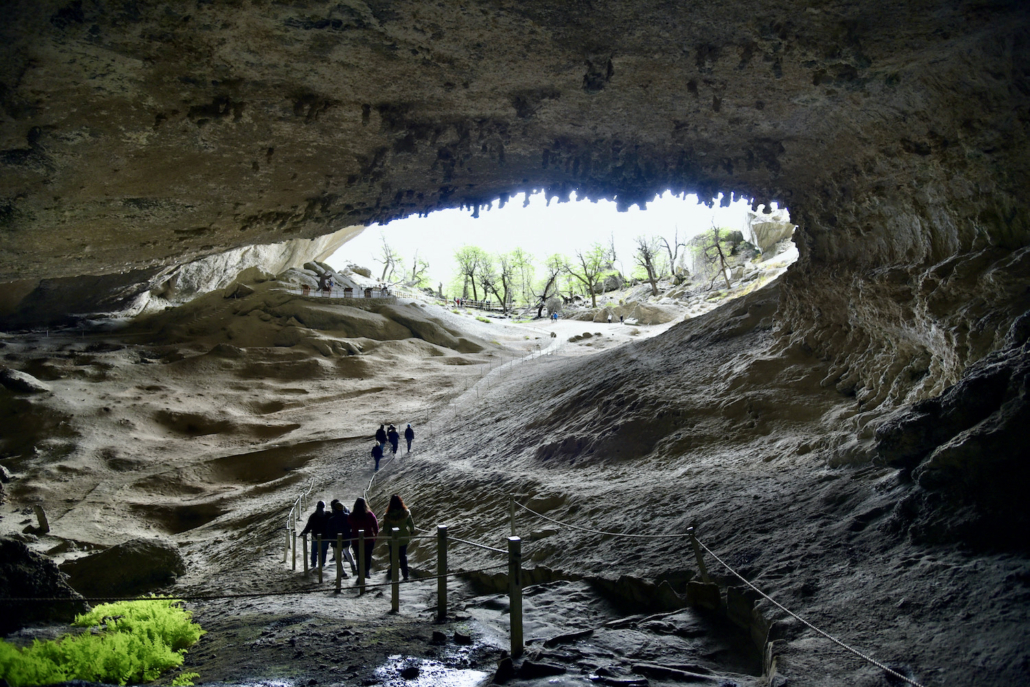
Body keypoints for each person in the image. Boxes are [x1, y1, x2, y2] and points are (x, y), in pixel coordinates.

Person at [381, 494, 416, 581]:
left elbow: (385, 529)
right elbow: (411, 524)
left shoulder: (388, 516)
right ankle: (405, 575)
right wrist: (412, 530)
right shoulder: (406, 513)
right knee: (403, 556)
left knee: (393, 557)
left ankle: (393, 573)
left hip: (392, 539)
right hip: (403, 538)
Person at [349, 497, 379, 578]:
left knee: (359, 558)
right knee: (367, 557)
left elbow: (348, 527)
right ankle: (366, 572)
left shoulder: (351, 516)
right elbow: (375, 525)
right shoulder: (369, 515)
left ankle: (360, 573)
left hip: (356, 540)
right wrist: (376, 535)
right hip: (368, 539)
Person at [326, 500, 356, 574]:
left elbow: (329, 531)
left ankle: (342, 572)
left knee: (337, 556)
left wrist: (331, 540)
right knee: (348, 552)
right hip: (346, 538)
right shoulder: (347, 517)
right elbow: (351, 527)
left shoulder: (331, 519)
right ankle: (353, 567)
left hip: (336, 540)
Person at [299, 501, 331, 567]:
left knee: (314, 551)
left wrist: (303, 533)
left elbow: (308, 527)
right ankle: (322, 564)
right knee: (323, 551)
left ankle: (313, 564)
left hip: (315, 536)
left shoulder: (313, 516)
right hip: (325, 536)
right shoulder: (328, 515)